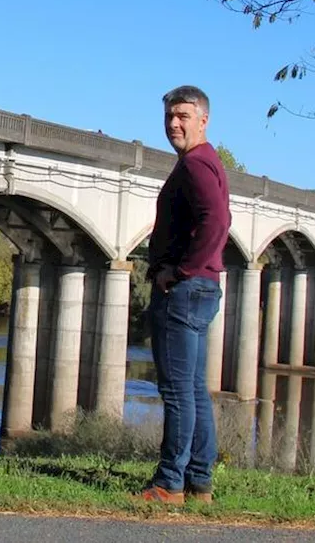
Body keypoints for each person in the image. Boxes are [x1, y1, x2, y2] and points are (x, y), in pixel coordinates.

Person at [137, 85, 231, 505]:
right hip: (200, 289)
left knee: (176, 391)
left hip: (185, 290)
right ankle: (199, 482)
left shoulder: (195, 165)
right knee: (193, 389)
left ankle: (169, 483)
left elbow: (216, 220)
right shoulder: (205, 162)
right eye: (170, 116)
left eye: (183, 116)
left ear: (203, 119)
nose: (174, 124)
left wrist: (182, 270)